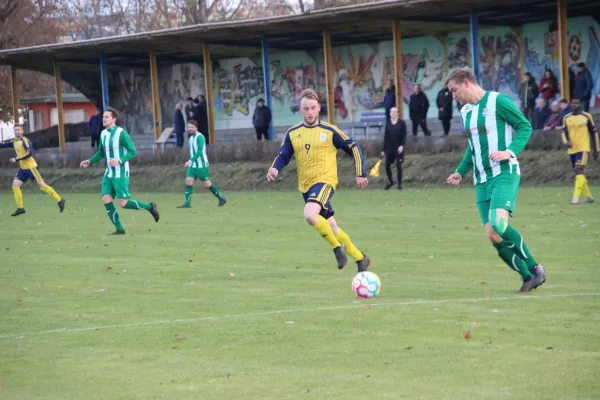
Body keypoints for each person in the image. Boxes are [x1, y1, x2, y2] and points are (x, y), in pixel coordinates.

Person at [444, 67, 546, 292]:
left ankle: (534, 267)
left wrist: (509, 152)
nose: (453, 96)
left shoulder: (498, 101)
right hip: (481, 180)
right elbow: (473, 147)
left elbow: (524, 126)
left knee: (499, 225)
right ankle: (527, 276)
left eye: (454, 90)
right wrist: (460, 171)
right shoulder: (466, 112)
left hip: (504, 173)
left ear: (467, 83)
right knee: (493, 234)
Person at [266, 88, 370, 272]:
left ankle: (338, 249)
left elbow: (354, 147)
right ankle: (361, 258)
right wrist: (275, 168)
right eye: (306, 108)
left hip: (325, 181)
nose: (310, 112)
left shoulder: (330, 131)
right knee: (332, 228)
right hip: (305, 186)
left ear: (318, 109)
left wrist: (360, 172)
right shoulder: (293, 133)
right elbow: (284, 155)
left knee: (309, 215)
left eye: (313, 108)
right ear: (300, 109)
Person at [79, 107, 159, 235]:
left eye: (107, 117)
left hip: (120, 173)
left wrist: (119, 160)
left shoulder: (121, 133)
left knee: (123, 203)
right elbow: (101, 152)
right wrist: (90, 161)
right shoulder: (103, 134)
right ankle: (119, 229)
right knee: (106, 199)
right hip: (109, 173)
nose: (104, 119)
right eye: (103, 117)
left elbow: (132, 151)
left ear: (114, 119)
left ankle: (150, 207)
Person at [0, 124, 65, 217]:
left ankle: (60, 200)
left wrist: (16, 159)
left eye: (19, 130)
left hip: (31, 168)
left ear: (22, 131)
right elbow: (3, 144)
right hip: (23, 169)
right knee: (15, 185)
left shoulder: (25, 141)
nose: (17, 131)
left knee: (42, 186)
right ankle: (20, 208)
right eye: (15, 130)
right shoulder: (14, 141)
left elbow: (30, 153)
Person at [176, 119, 226, 208]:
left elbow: (199, 151)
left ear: (196, 128)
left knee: (207, 184)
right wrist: (191, 162)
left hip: (201, 165)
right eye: (189, 127)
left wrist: (190, 160)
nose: (190, 129)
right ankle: (187, 204)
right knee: (188, 181)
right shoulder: (191, 138)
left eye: (192, 127)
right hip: (193, 166)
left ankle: (221, 198)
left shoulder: (200, 137)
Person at [561, 97, 599, 204]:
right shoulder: (566, 118)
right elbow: (563, 132)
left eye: (577, 103)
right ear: (571, 104)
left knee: (578, 169)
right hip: (572, 149)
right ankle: (589, 197)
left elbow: (594, 133)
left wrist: (597, 149)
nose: (575, 105)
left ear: (580, 104)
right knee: (579, 173)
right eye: (573, 103)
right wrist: (566, 142)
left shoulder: (587, 116)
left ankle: (575, 199)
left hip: (583, 148)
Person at [382, 107, 407, 190]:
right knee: (387, 166)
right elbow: (386, 137)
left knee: (398, 166)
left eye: (394, 112)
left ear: (397, 113)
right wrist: (383, 150)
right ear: (389, 113)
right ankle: (390, 181)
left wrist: (402, 145)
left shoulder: (402, 123)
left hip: (398, 148)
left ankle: (399, 184)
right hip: (389, 148)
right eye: (391, 112)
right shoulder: (388, 123)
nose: (393, 113)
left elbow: (404, 135)